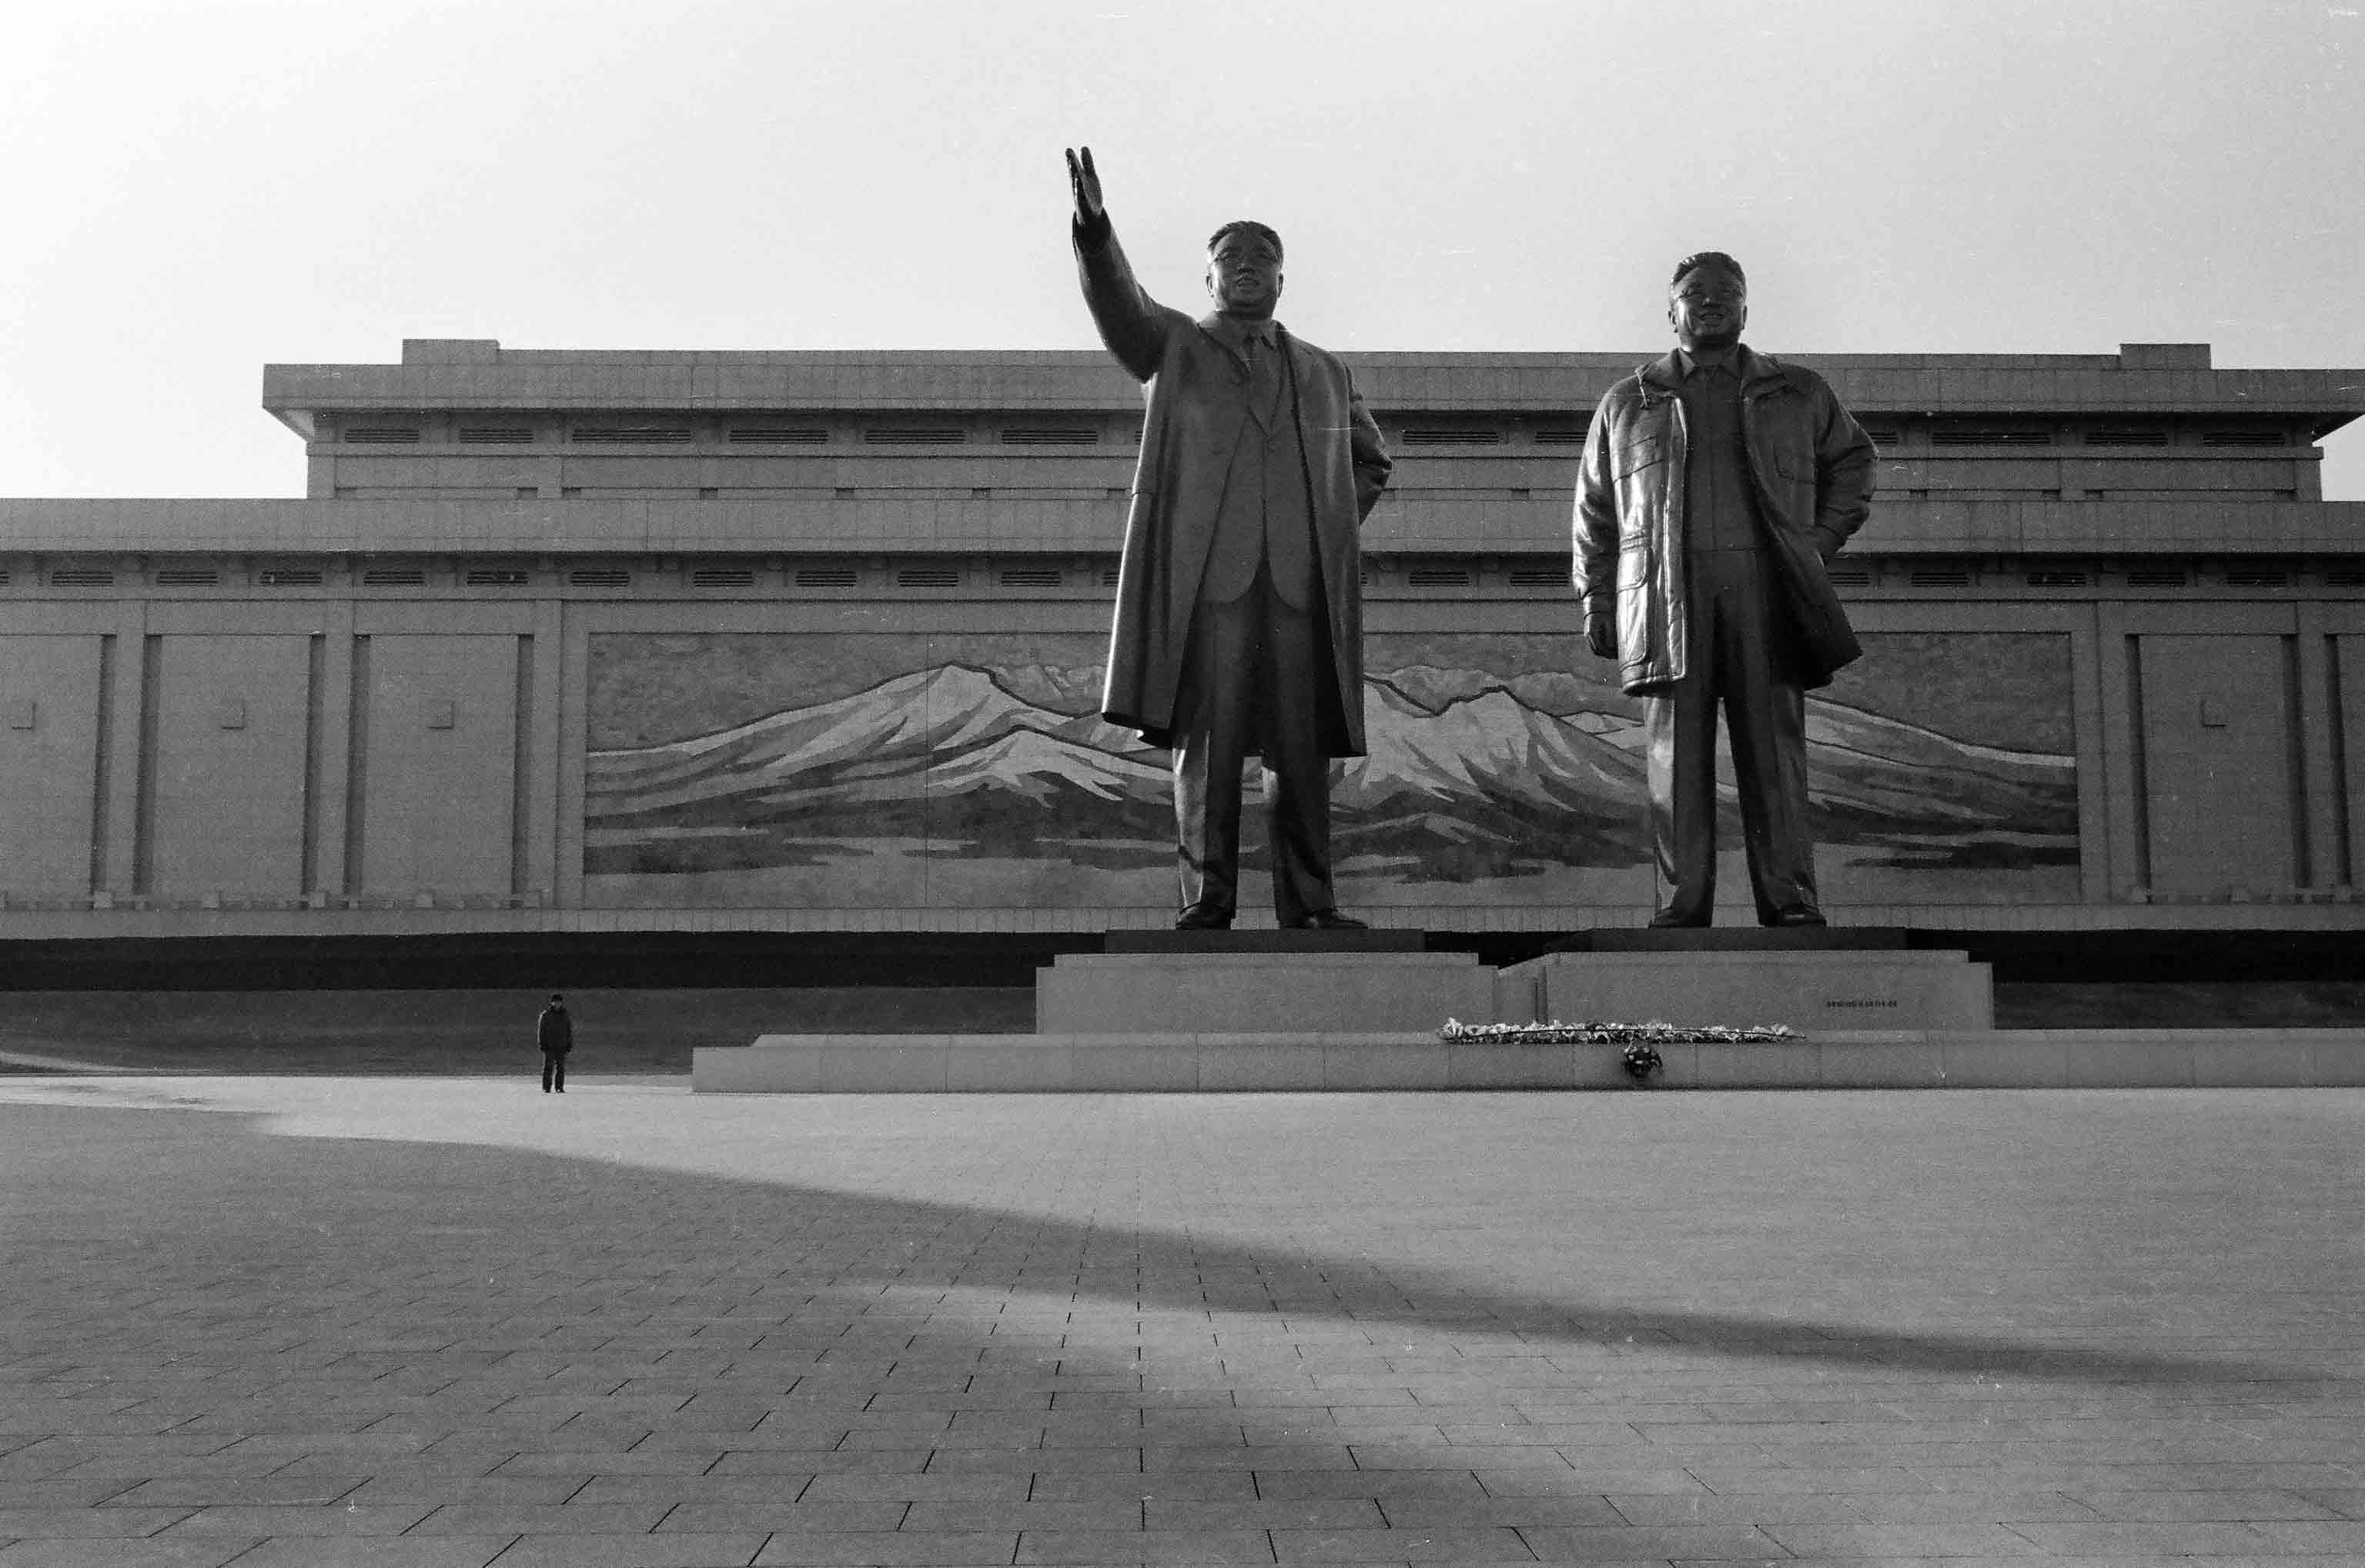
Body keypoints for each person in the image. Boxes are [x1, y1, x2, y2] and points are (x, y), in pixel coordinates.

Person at [1065, 145, 1393, 930]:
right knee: (1207, 748)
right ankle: (1207, 901)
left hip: (1296, 590)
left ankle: (1310, 905)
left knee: (1300, 751)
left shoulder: (1325, 372)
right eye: (1230, 257)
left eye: (1263, 258)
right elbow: (1121, 306)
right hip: (1210, 585)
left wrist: (1324, 526)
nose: (1247, 266)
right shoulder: (1176, 346)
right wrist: (1095, 229)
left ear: (1283, 279)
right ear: (1207, 279)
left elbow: (1371, 462)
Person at [1574, 252, 1877, 928]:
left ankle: (1790, 901)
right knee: (1674, 759)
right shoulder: (1627, 403)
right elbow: (1594, 511)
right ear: (1671, 310)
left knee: (1774, 754)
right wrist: (1597, 599)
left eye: (1726, 292)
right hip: (1665, 599)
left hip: (1766, 593)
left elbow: (1855, 461)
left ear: (1746, 308)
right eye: (1694, 292)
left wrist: (1816, 543)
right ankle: (1681, 905)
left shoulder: (1798, 392)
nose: (1710, 301)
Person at [536, 993, 572, 1092]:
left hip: (562, 1045)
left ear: (561, 1003)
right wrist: (542, 1043)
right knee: (548, 1067)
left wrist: (569, 1043)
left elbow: (569, 1030)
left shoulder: (565, 1015)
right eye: (555, 1002)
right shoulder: (546, 1015)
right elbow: (541, 1030)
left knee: (561, 1068)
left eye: (559, 1002)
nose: (557, 1004)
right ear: (552, 1003)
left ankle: (559, 1087)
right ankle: (546, 1087)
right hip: (549, 1045)